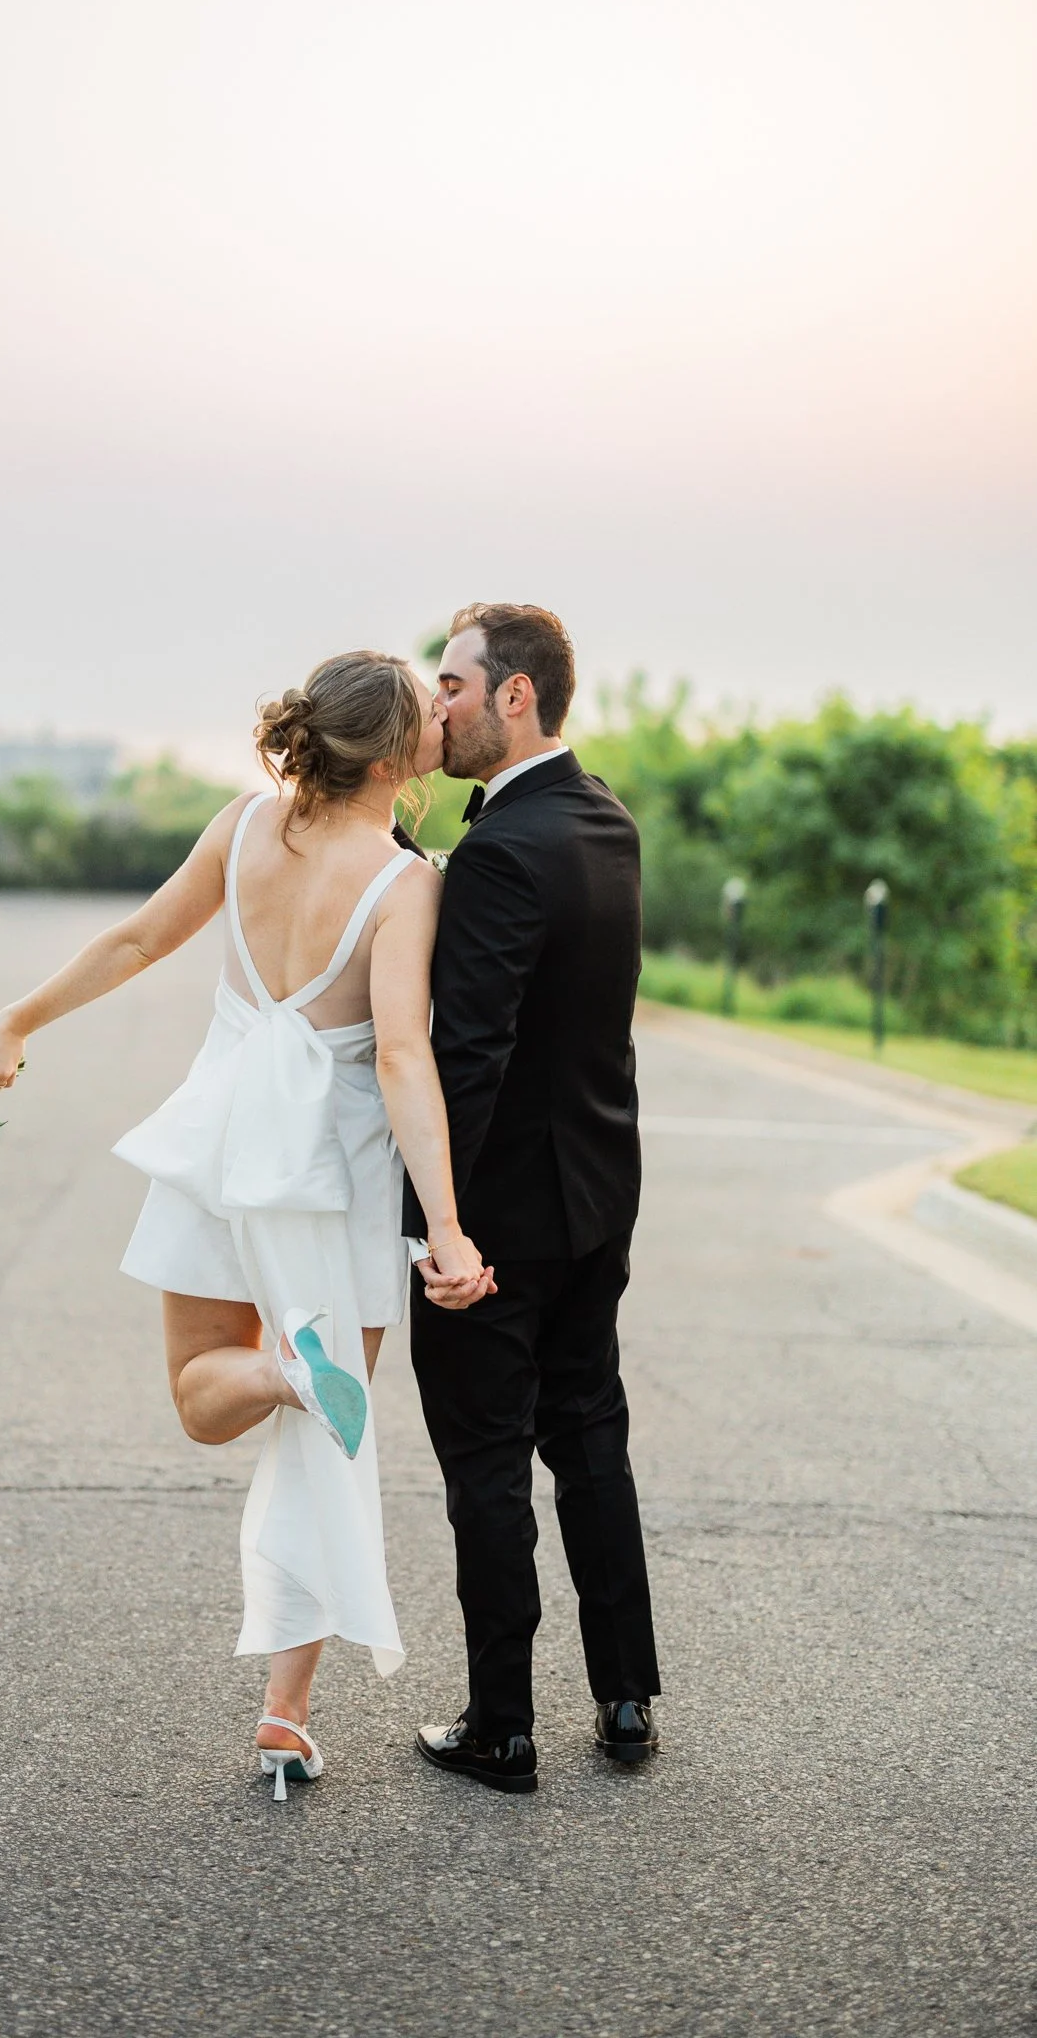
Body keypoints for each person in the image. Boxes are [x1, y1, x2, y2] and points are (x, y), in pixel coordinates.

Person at [0, 651, 492, 1802]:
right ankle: (285, 1715)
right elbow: (402, 1055)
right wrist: (444, 1225)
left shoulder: (245, 826)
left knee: (206, 1388)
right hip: (334, 1181)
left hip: (218, 1148)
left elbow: (139, 940)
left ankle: (271, 1369)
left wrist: (16, 1018)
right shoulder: (409, 884)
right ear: (400, 755)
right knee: (324, 1451)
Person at [406, 603, 662, 1795]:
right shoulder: (606, 819)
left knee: (487, 1457)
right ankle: (624, 1697)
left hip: (503, 1212)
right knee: (590, 1431)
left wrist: (436, 1219)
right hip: (600, 1195)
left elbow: (471, 1050)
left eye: (452, 682)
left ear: (516, 696)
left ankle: (501, 1722)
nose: (438, 702)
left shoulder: (506, 846)